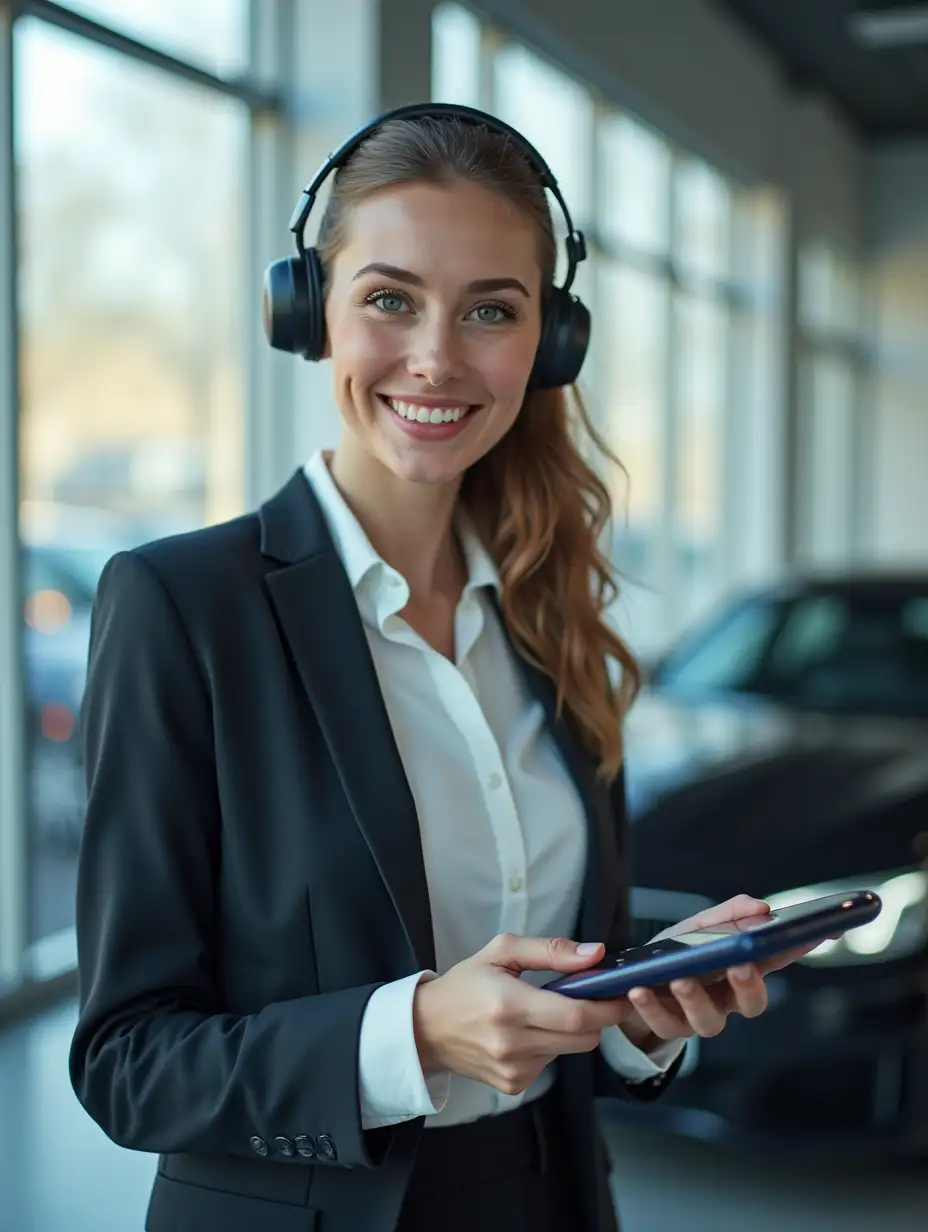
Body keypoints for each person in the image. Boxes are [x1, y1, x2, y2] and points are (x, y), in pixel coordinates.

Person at [69, 104, 801, 1232]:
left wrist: (644, 1013)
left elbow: (569, 1021)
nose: (436, 357)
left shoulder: (554, 617)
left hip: (548, 1199)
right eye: (389, 299)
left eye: (491, 311)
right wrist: (409, 1034)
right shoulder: (181, 604)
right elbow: (127, 1058)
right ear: (309, 311)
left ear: (549, 341)